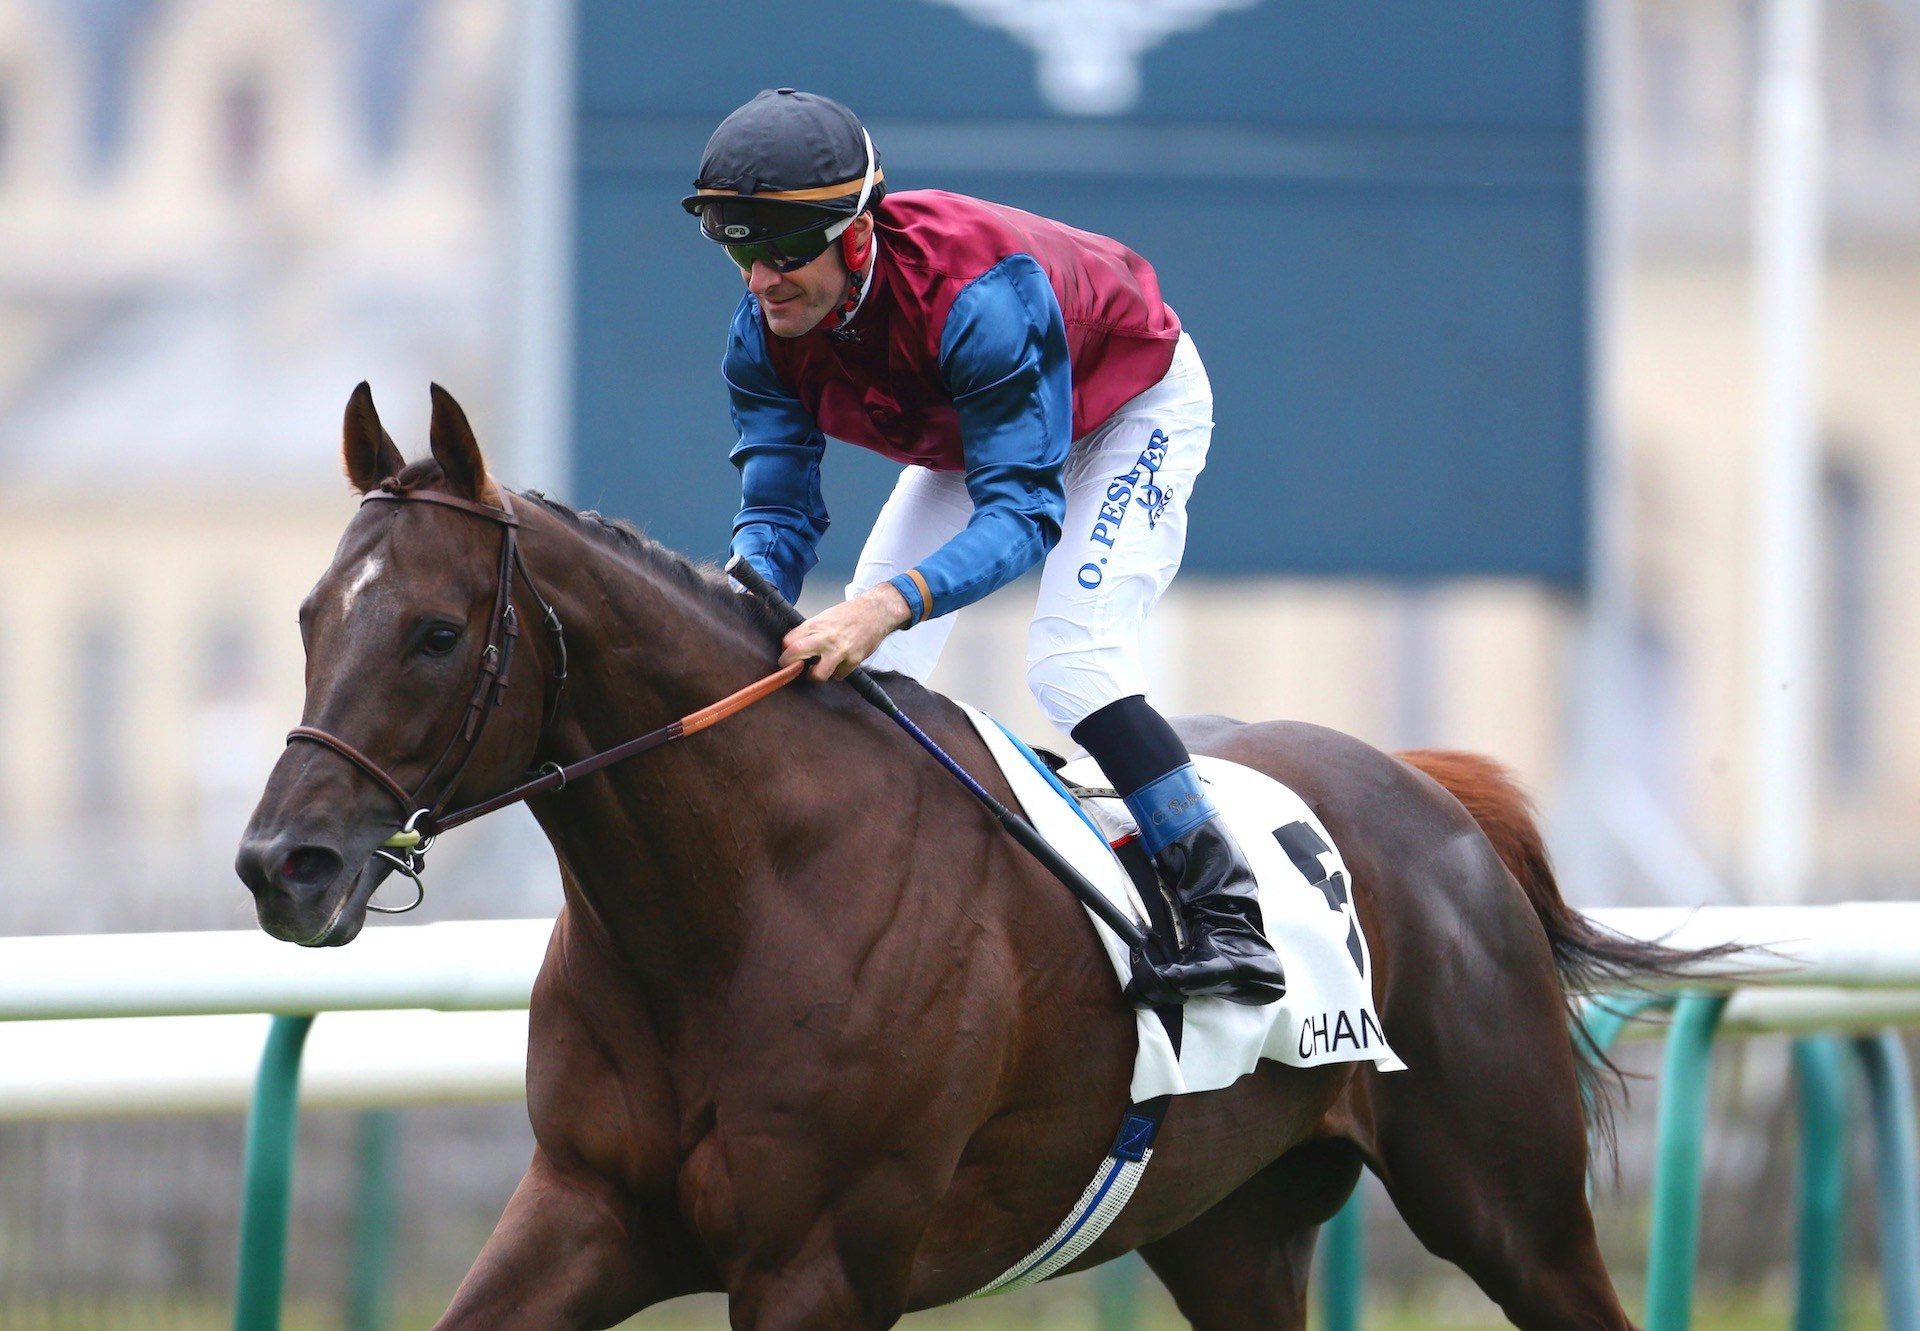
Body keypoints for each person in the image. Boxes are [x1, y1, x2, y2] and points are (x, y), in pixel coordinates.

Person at [685, 88, 1283, 1008]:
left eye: (782, 254)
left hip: (1125, 410)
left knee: (1071, 662)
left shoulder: (978, 297)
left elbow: (1022, 516)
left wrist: (882, 603)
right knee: (873, 676)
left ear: (855, 236)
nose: (761, 281)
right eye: (739, 253)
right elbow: (778, 514)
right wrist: (741, 604)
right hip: (976, 428)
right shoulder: (759, 337)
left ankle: (1226, 911)